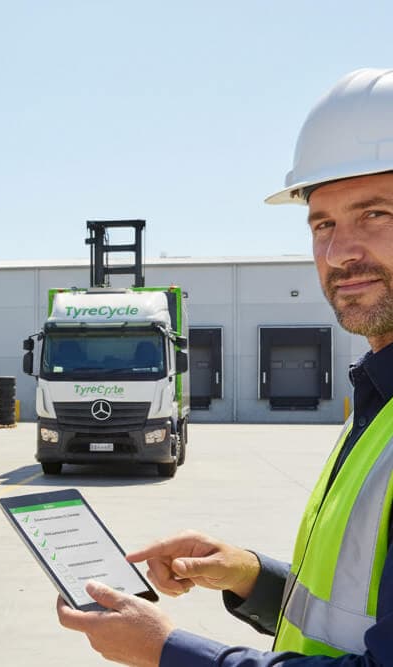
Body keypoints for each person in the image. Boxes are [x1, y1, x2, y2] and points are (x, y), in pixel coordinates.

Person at [56, 67, 393, 665]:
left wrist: (167, 650)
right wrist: (249, 575)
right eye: (323, 223)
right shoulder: (377, 403)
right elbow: (359, 613)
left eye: (375, 215)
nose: (341, 251)